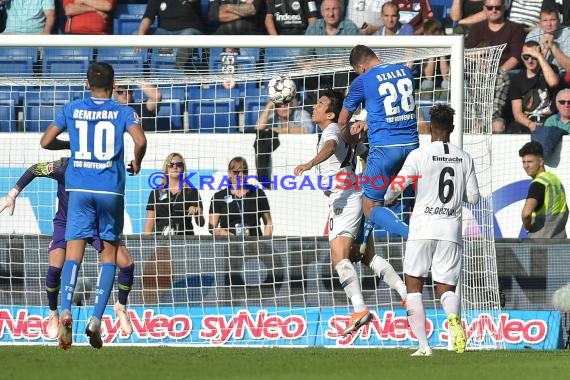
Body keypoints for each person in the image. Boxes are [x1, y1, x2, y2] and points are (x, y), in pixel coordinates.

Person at [39, 62, 147, 350]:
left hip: (78, 189)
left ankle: (64, 310)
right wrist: (137, 161)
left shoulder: (73, 108)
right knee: (109, 255)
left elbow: (45, 141)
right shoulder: (123, 111)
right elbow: (140, 139)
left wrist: (72, 145)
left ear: (87, 84)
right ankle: (97, 318)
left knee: (73, 251)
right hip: (110, 190)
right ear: (113, 86)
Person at [294, 88, 407, 337]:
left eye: (320, 104)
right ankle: (405, 293)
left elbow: (332, 146)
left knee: (339, 257)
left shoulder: (332, 131)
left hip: (343, 200)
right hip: (354, 194)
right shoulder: (341, 131)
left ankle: (359, 309)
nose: (314, 106)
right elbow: (365, 153)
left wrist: (310, 163)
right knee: (365, 256)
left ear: (332, 113)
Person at [0, 157, 134, 340]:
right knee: (55, 268)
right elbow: (34, 169)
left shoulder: (103, 166)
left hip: (96, 224)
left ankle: (120, 306)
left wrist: (132, 164)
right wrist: (12, 194)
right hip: (66, 223)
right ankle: (54, 313)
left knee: (127, 264)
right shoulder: (64, 167)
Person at [384, 104, 480, 356]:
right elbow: (473, 197)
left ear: (428, 128)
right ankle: (453, 322)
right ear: (452, 128)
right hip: (451, 229)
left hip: (423, 227)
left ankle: (424, 346)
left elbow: (397, 185)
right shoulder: (464, 157)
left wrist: (388, 199)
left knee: (414, 288)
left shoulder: (419, 154)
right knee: (446, 289)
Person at [338, 44, 418, 252]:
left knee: (371, 205)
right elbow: (391, 106)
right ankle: (363, 243)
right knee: (407, 203)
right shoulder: (406, 71)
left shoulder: (362, 80)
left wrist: (349, 138)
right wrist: (369, 122)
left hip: (385, 149)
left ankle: (414, 236)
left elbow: (342, 120)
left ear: (361, 67)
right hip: (413, 147)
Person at [465, 0, 527, 133]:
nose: (494, 10)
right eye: (490, 7)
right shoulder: (477, 28)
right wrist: (482, 57)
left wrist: (497, 71)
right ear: (484, 9)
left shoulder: (515, 28)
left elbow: (516, 56)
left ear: (504, 8)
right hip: (477, 73)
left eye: (497, 7)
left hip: (504, 72)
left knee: (497, 125)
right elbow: (467, 53)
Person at [255, 97, 315, 189]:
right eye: (279, 106)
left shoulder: (301, 114)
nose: (283, 108)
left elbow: (307, 129)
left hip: (300, 156)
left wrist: (278, 130)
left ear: (291, 106)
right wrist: (268, 107)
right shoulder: (272, 117)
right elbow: (259, 128)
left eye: (286, 105)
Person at [209, 157, 272, 237]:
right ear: (229, 173)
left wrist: (264, 242)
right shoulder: (219, 197)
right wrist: (224, 233)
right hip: (230, 244)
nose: (241, 175)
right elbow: (212, 228)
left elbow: (268, 222)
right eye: (236, 171)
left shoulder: (257, 193)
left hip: (254, 244)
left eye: (244, 171)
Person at [144, 152, 205, 235]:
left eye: (179, 164)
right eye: (171, 164)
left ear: (183, 168)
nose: (175, 167)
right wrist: (145, 243)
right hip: (161, 240)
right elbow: (149, 222)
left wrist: (197, 213)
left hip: (184, 239)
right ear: (166, 168)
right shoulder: (156, 192)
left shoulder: (192, 192)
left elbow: (201, 223)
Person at [505, 40, 559, 134]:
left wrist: (539, 56)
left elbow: (553, 82)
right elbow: (517, 113)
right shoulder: (517, 79)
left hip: (549, 120)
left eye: (533, 57)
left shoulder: (550, 69)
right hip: (527, 122)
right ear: (522, 56)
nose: (530, 61)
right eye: (526, 57)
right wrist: (531, 124)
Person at [519, 141, 568, 238]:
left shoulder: (538, 184)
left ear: (541, 161)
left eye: (530, 162)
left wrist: (528, 227)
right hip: (560, 242)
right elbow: (566, 210)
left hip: (540, 245)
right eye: (524, 162)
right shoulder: (555, 180)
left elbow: (526, 213)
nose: (526, 166)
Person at [136, 0, 204, 68]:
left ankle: (176, 69)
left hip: (189, 29)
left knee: (187, 36)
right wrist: (141, 33)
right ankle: (140, 69)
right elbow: (148, 16)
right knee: (136, 35)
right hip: (164, 32)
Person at [525, 7, 570, 86]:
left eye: (552, 20)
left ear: (559, 21)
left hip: (562, 75)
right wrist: (545, 49)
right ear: (540, 23)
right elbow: (530, 65)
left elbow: (569, 67)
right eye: (545, 20)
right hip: (539, 75)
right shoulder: (533, 35)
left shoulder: (567, 34)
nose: (549, 24)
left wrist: (553, 46)